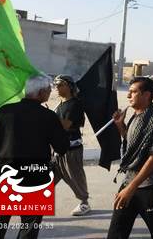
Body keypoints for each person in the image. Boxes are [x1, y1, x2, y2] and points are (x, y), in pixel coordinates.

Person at [0, 74, 69, 239]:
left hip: (7, 172)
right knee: (29, 227)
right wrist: (61, 128)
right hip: (36, 174)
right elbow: (62, 148)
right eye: (47, 89)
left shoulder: (5, 111)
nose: (49, 92)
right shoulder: (48, 116)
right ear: (40, 93)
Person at [108, 77, 153, 239]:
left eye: (134, 92)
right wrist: (120, 125)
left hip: (150, 187)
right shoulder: (136, 116)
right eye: (129, 92)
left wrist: (130, 188)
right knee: (116, 232)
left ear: (147, 95)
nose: (129, 96)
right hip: (130, 181)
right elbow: (132, 145)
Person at [52, 75, 91, 216]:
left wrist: (48, 117)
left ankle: (84, 203)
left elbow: (65, 126)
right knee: (47, 177)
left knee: (75, 177)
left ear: (69, 87)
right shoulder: (61, 104)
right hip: (57, 149)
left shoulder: (74, 104)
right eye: (55, 84)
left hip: (71, 149)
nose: (56, 87)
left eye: (60, 84)